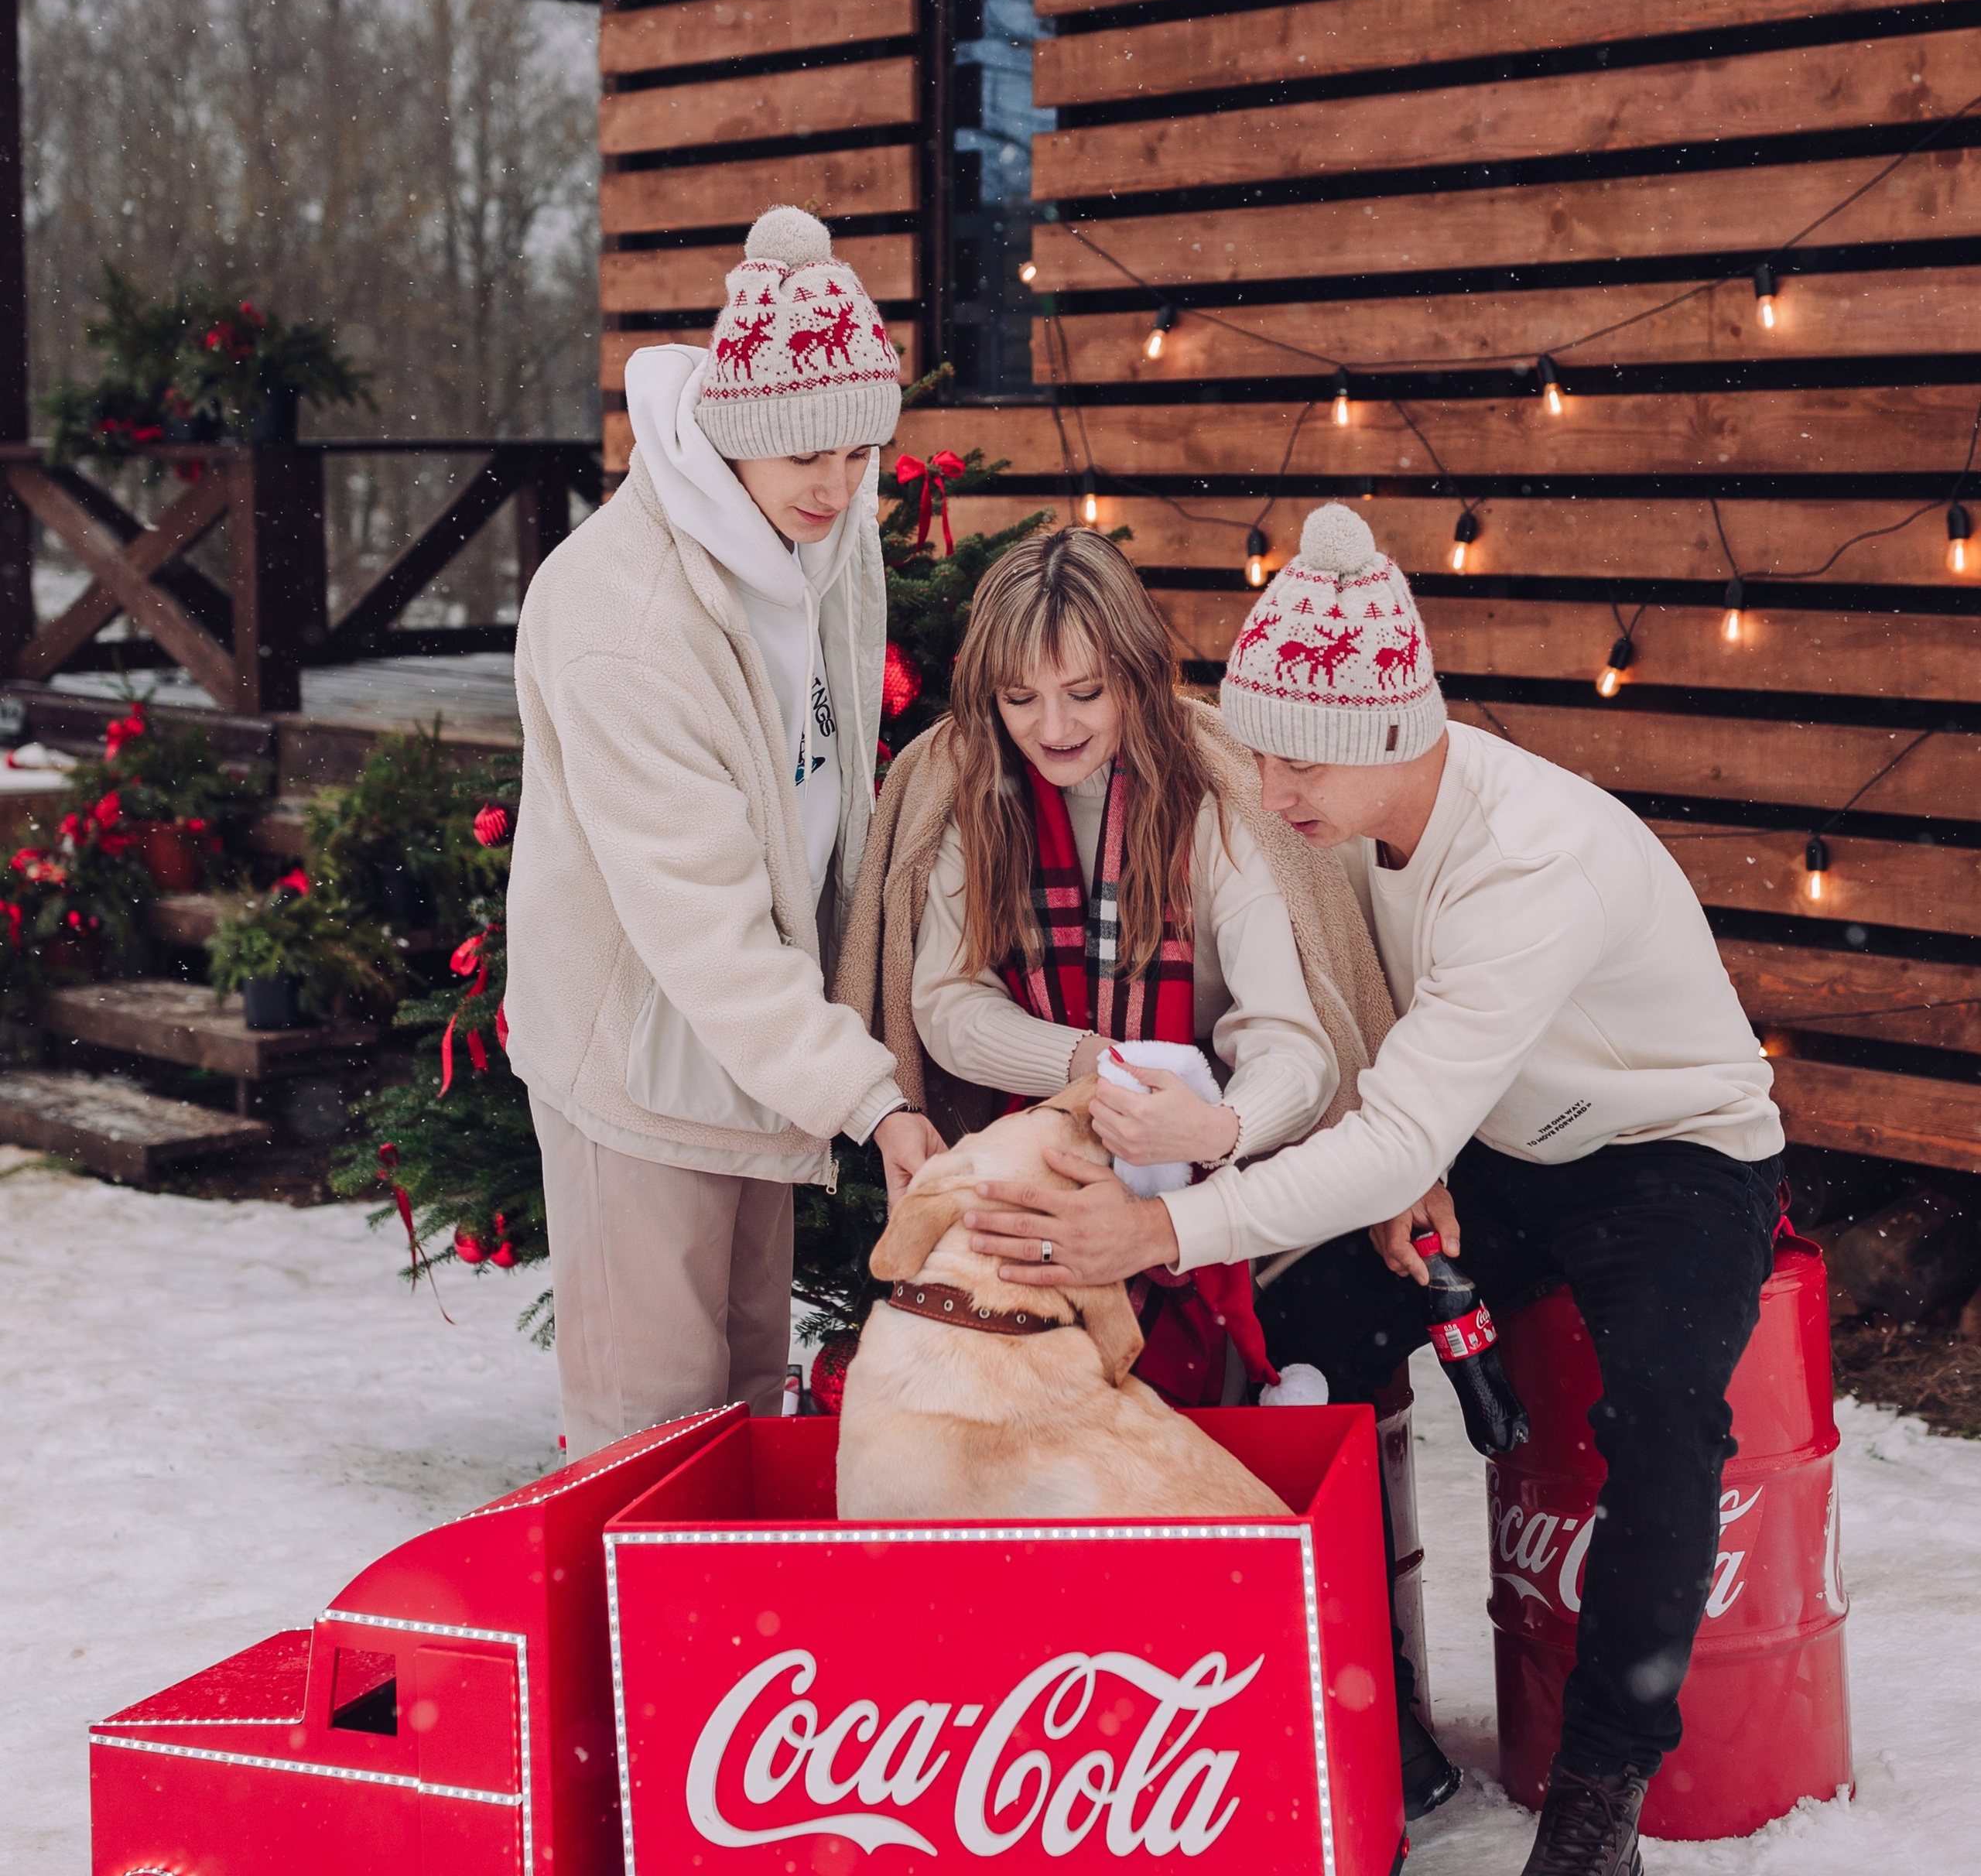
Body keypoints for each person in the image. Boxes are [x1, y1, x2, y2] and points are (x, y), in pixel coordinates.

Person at [962, 502, 1785, 1876]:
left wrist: (1162, 1225)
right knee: (1303, 1329)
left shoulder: (1533, 861)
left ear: (1391, 735)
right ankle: (1361, 1695)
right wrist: (1425, 1165)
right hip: (1498, 1151)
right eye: (1260, 751)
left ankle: (1601, 1788)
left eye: (1292, 760)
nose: (1266, 786)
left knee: (1663, 1419)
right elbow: (1397, 1060)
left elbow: (1399, 1127)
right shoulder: (1350, 820)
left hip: (1673, 1154)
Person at [505, 207, 943, 1459]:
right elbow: (699, 923)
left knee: (747, 1401)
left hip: (762, 1051)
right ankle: (611, 1596)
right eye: (807, 453)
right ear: (735, 433)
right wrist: (870, 1096)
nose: (838, 485)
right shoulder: (624, 621)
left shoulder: (819, 531)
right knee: (648, 1431)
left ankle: (717, 1597)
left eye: (859, 450)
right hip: (641, 1057)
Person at [835, 526, 1395, 1405]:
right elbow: (946, 1003)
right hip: (1036, 1133)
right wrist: (1090, 1064)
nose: (1053, 729)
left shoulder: (1218, 799)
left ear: (1136, 674)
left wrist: (1217, 1129)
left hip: (1215, 1149)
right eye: (1020, 698)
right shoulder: (966, 790)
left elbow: (1293, 1041)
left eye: (1085, 693)